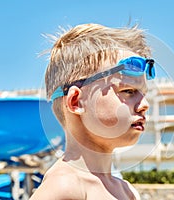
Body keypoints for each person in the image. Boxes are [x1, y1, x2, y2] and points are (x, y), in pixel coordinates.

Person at [30, 23, 155, 200]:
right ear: (76, 101)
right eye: (128, 91)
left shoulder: (126, 191)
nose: (144, 104)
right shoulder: (64, 187)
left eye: (143, 93)